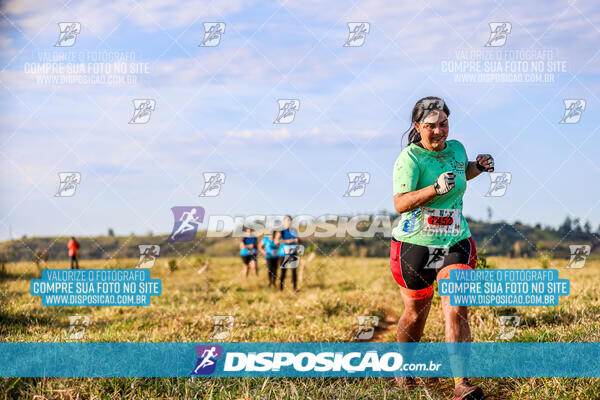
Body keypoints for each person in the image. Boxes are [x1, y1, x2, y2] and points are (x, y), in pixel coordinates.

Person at [391, 97, 494, 399]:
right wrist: (434, 189)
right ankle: (403, 369)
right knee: (414, 316)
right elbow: (400, 203)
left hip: (454, 240)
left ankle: (461, 383)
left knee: (456, 308)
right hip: (415, 246)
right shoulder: (410, 159)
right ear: (418, 127)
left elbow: (462, 173)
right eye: (431, 126)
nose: (438, 131)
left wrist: (479, 166)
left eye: (443, 124)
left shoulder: (457, 149)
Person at [275, 216, 301, 291]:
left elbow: (299, 240)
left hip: (293, 252)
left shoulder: (294, 231)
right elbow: (276, 241)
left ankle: (295, 288)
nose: (288, 223)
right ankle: (281, 288)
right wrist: (287, 241)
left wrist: (297, 239)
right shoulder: (281, 231)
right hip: (283, 253)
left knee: (294, 271)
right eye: (287, 221)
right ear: (284, 222)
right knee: (283, 272)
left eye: (290, 221)